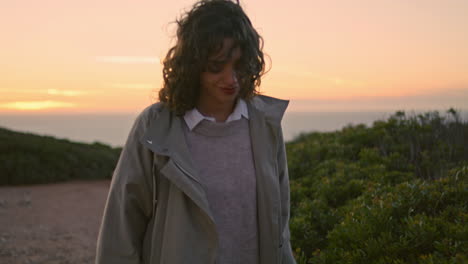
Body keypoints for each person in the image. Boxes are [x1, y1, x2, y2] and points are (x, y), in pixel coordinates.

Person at [95, 0, 296, 263]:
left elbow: (279, 225)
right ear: (193, 66)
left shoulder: (265, 125)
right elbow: (121, 229)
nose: (231, 78)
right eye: (216, 66)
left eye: (239, 64)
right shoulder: (156, 127)